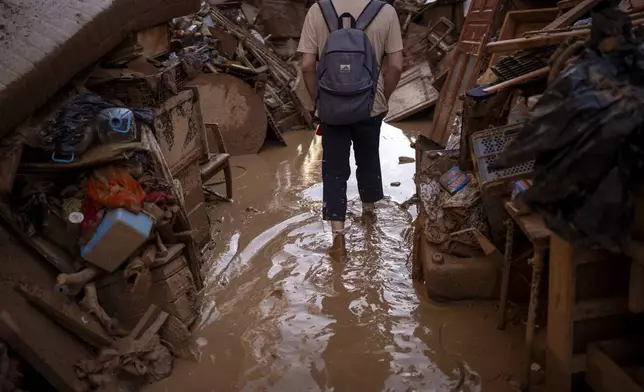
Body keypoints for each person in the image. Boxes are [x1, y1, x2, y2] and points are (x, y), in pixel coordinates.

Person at [298, 0, 403, 261]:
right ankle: (369, 215)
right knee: (368, 160)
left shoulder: (317, 11)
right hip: (370, 104)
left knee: (334, 170)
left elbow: (307, 66)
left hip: (331, 107)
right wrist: (383, 99)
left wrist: (317, 103)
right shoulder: (386, 12)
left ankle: (338, 239)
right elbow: (396, 67)